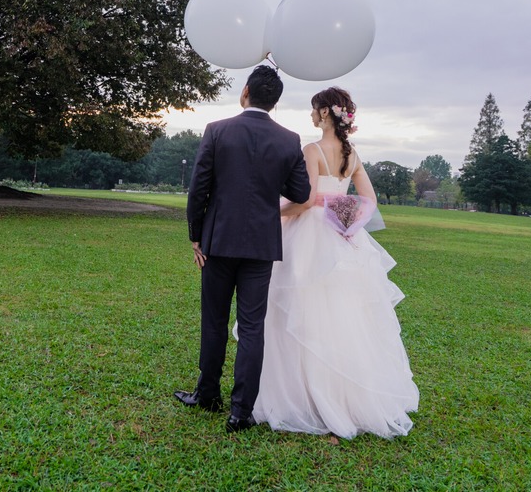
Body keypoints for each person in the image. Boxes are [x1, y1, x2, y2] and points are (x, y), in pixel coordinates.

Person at [253, 87, 419, 439]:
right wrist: (345, 219)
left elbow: (306, 199)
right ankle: (345, 395)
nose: (311, 115)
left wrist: (273, 212)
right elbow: (369, 200)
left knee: (302, 306)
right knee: (344, 311)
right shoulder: (352, 154)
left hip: (309, 234)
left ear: (326, 113)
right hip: (342, 233)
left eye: (315, 109)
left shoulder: (311, 150)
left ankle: (304, 397)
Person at [175, 65, 312, 433]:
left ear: (245, 92)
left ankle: (207, 395)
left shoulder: (217, 131)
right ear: (275, 102)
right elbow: (301, 194)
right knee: (252, 327)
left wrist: (195, 235)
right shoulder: (288, 140)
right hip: (261, 246)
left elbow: (198, 189)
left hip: (217, 242)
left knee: (215, 320)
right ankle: (241, 411)